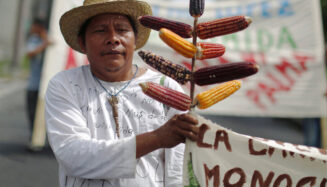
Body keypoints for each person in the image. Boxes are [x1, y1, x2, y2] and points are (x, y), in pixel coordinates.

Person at [45, 0, 199, 186]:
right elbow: (73, 156)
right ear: (82, 43)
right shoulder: (65, 85)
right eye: (100, 30)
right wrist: (157, 138)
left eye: (122, 30)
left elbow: (177, 170)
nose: (113, 38)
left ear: (135, 40)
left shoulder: (167, 89)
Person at [25, 18, 51, 138]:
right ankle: (34, 138)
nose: (32, 29)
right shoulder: (33, 40)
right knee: (32, 113)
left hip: (48, 86)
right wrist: (44, 45)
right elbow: (30, 54)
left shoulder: (52, 39)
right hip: (33, 84)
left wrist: (47, 41)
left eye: (34, 26)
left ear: (40, 27)